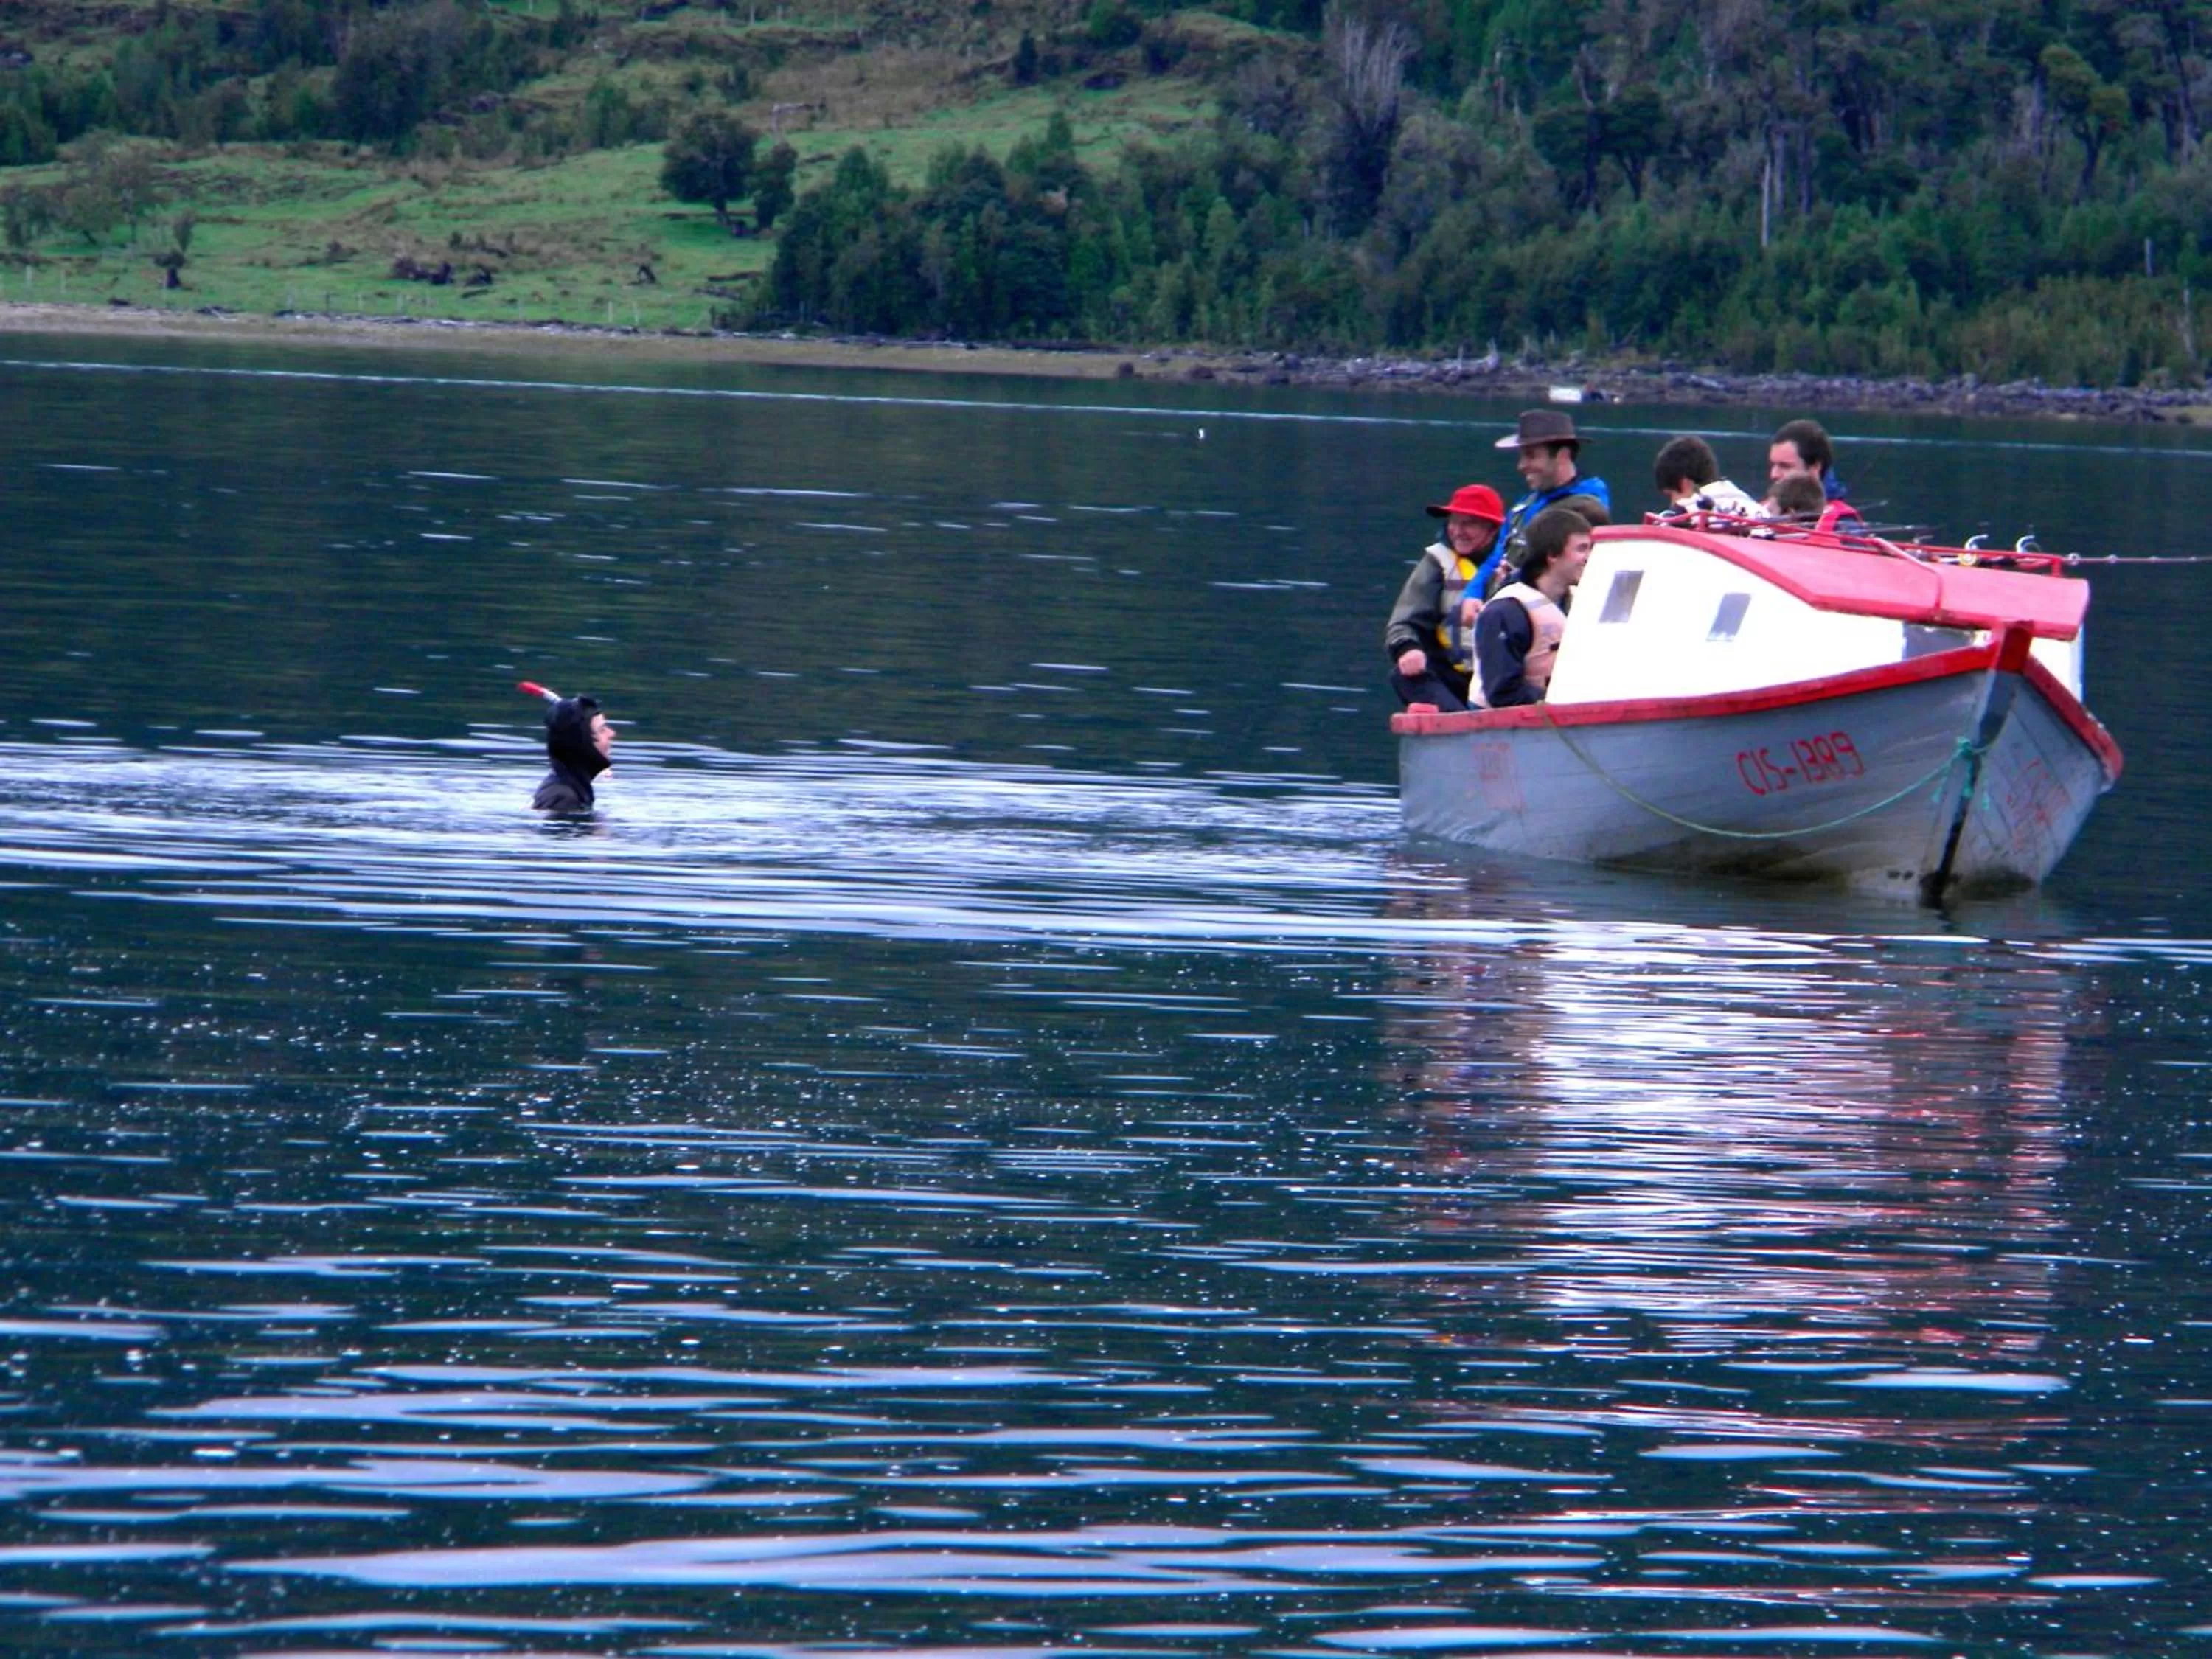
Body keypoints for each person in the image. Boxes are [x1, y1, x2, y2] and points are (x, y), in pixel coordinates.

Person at [1385, 482, 1506, 710]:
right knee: (1404, 676)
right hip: (1450, 674)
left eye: (1469, 523)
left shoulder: (1514, 562)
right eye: (1454, 522)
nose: (1458, 531)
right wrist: (1408, 649)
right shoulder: (1437, 562)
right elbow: (1404, 622)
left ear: (1492, 529)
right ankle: (1462, 722)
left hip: (1500, 678)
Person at [1472, 504, 1592, 709]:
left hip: (1564, 719)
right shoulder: (1505, 611)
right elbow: (1503, 693)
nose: (1589, 558)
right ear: (1553, 555)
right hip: (1504, 725)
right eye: (1581, 549)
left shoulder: (1581, 601)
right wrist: (1560, 702)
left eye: (1591, 549)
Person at [1480, 409, 1610, 595]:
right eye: (1522, 456)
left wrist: (1510, 580)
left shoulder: (1588, 508)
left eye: (1531, 455)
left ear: (1562, 455)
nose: (1521, 466)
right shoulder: (1524, 506)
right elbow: (1496, 556)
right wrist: (1472, 595)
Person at [528, 687, 616, 812]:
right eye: (602, 730)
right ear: (583, 744)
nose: (612, 733)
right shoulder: (564, 800)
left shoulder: (568, 783)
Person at [1653, 434, 1759, 519]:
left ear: (1685, 484)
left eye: (1670, 496)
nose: (1671, 504)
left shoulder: (1683, 516)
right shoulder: (1758, 511)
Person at [1768, 418, 1849, 502]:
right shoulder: (1763, 508)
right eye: (1772, 465)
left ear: (1815, 468)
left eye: (1785, 466)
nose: (1774, 475)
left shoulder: (1838, 512)